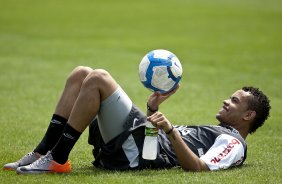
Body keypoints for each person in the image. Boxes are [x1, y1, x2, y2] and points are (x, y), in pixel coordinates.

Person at [3, 66, 271, 174]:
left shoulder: (234, 143)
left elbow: (199, 168)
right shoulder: (215, 130)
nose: (226, 101)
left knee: (98, 78)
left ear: (249, 116)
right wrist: (151, 108)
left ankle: (58, 159)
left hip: (137, 156)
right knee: (81, 74)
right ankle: (42, 152)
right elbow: (161, 143)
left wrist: (170, 131)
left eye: (235, 101)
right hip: (141, 143)